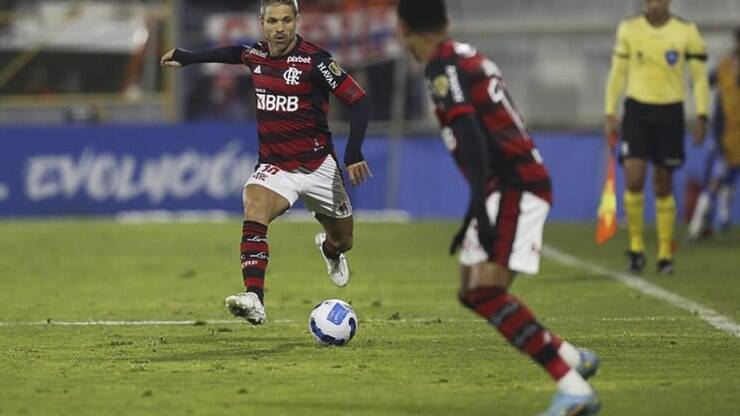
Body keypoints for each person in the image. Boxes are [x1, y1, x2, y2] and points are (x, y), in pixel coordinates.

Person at [396, 1, 600, 415]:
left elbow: (469, 130)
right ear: (446, 21)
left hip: (512, 183)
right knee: (469, 290)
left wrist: (478, 207)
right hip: (508, 181)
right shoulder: (464, 56)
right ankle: (569, 356)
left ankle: (572, 385)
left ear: (403, 30)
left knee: (485, 289)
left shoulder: (440, 66)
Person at [161, 0, 372, 325]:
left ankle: (329, 250)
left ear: (297, 21)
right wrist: (188, 58)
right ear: (262, 24)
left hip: (319, 168)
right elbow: (234, 53)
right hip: (276, 167)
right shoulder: (256, 57)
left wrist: (353, 152)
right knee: (254, 206)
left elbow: (357, 100)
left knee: (345, 239)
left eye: (286, 20)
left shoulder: (316, 61)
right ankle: (255, 298)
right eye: (272, 20)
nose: (280, 27)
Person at [604, 0, 709, 274]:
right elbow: (618, 73)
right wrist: (609, 111)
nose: (655, 4)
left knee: (663, 182)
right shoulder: (629, 29)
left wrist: (702, 115)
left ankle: (664, 253)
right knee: (634, 177)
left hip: (670, 113)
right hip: (637, 111)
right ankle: (637, 248)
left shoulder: (686, 32)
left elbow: (698, 79)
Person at [688, 28, 740, 240]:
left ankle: (724, 218)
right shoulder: (725, 66)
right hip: (724, 135)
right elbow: (703, 82)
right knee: (717, 179)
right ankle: (697, 224)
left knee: (728, 179)